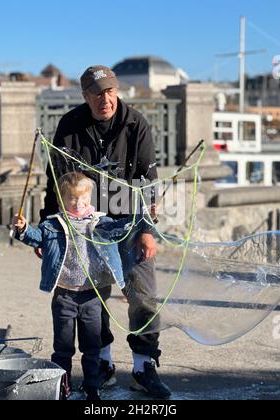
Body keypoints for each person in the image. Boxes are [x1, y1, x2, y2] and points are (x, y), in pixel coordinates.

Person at [39, 65, 172, 399]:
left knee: (142, 294)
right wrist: (46, 230)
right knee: (92, 297)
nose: (106, 99)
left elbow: (149, 183)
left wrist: (146, 230)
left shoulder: (135, 123)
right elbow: (55, 182)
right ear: (85, 96)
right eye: (97, 93)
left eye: (110, 91)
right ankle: (104, 364)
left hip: (129, 221)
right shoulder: (69, 125)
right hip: (85, 226)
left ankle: (144, 366)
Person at [13, 171, 142, 401]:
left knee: (92, 347)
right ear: (62, 200)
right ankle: (63, 386)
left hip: (91, 295)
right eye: (73, 198)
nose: (80, 203)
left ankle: (92, 385)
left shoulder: (101, 222)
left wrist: (142, 217)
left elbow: (124, 227)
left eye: (84, 198)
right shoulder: (53, 224)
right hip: (64, 294)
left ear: (90, 198)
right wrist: (22, 229)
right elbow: (35, 237)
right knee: (63, 348)